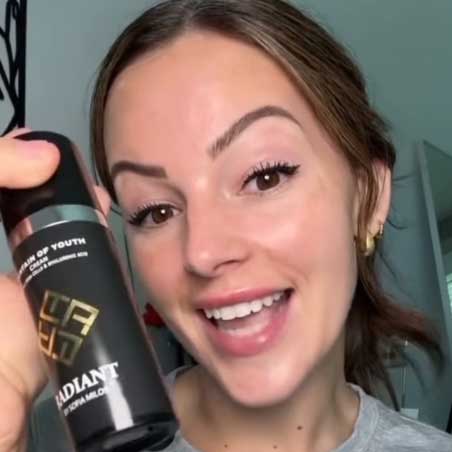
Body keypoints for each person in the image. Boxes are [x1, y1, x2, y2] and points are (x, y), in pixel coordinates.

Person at [0, 1, 451, 451]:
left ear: (368, 198)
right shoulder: (41, 437)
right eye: (155, 211)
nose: (203, 252)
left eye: (265, 176)